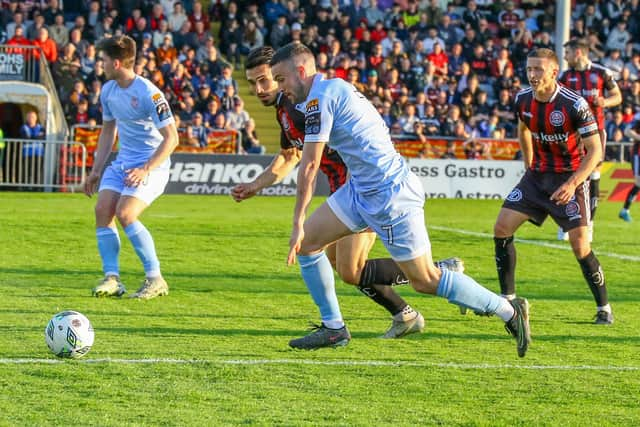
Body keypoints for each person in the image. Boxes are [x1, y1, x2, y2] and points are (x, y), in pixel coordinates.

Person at [268, 42, 531, 356]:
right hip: (361, 189)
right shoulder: (328, 90)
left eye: (281, 79)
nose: (279, 88)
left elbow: (310, 164)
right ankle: (334, 328)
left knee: (425, 280)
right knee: (309, 243)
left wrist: (297, 220)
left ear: (301, 71)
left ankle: (509, 311)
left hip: (390, 194)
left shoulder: (321, 98)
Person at [232, 46, 465, 344]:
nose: (258, 89)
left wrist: (296, 216)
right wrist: (255, 185)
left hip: (361, 187)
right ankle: (404, 313)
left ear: (283, 75)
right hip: (342, 188)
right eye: (252, 83)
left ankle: (438, 274)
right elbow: (288, 157)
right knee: (337, 262)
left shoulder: (302, 105)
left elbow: (310, 157)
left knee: (350, 268)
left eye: (265, 80)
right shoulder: (285, 111)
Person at [494, 48, 613, 325]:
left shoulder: (575, 104)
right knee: (501, 228)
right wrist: (528, 163)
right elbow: (523, 129)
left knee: (580, 245)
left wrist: (573, 183)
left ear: (553, 72)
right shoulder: (522, 99)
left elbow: (595, 151)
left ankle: (604, 308)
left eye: (538, 69)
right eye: (529, 69)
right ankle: (508, 301)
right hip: (537, 177)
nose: (532, 75)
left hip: (568, 177)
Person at [84, 35, 179, 300]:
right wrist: (95, 170)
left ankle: (155, 278)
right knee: (103, 210)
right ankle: (112, 278)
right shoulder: (109, 91)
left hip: (153, 164)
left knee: (125, 213)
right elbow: (107, 133)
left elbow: (172, 138)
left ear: (116, 62)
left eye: (103, 60)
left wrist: (146, 169)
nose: (100, 65)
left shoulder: (149, 92)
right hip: (125, 161)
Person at [556, 39, 622, 241]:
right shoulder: (566, 76)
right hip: (572, 133)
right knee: (569, 175)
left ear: (578, 53)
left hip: (595, 132)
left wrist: (605, 101)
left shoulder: (602, 73)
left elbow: (617, 96)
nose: (565, 57)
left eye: (567, 52)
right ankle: (567, 223)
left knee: (593, 176)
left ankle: (588, 224)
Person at [619, 118, 640, 221]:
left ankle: (624, 210)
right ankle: (625, 210)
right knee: (638, 182)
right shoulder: (638, 117)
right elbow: (627, 131)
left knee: (638, 184)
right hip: (638, 155)